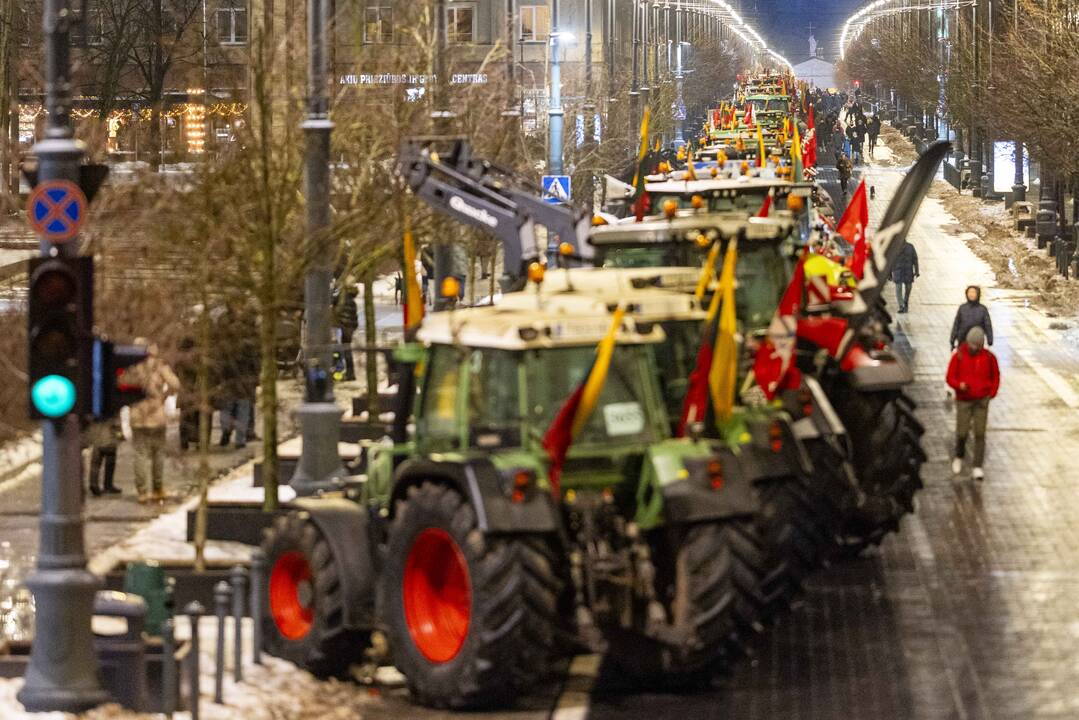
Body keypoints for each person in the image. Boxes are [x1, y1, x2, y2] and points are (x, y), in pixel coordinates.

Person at [126, 340, 181, 503]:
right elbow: (175, 384)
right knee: (158, 453)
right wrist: (164, 396)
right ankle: (158, 489)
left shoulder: (131, 368)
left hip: (138, 415)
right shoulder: (160, 366)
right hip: (157, 415)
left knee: (140, 454)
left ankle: (142, 491)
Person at [946, 327, 999, 480]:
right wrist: (959, 385)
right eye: (971, 344)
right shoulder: (959, 356)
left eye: (976, 345)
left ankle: (977, 465)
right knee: (962, 432)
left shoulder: (989, 358)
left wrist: (991, 393)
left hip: (982, 400)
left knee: (980, 433)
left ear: (981, 345)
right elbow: (950, 377)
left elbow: (996, 376)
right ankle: (959, 456)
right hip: (964, 400)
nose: (973, 348)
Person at [86, 419, 123, 496]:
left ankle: (93, 484)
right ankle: (108, 485)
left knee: (95, 464)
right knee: (110, 464)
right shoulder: (112, 410)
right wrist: (120, 436)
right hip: (109, 440)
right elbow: (117, 425)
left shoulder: (95, 409)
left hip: (97, 440)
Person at [950, 285, 993, 350]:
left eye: (974, 292)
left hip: (977, 341)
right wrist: (952, 339)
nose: (971, 294)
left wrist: (990, 339)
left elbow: (988, 325)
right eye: (969, 292)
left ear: (978, 294)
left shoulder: (982, 309)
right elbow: (956, 324)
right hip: (962, 340)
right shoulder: (962, 308)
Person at [891, 241, 919, 313]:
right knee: (898, 288)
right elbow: (890, 260)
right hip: (898, 270)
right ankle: (901, 305)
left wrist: (917, 271)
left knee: (909, 287)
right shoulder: (894, 247)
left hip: (908, 270)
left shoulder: (910, 247)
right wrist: (889, 274)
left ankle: (905, 301)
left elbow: (915, 259)